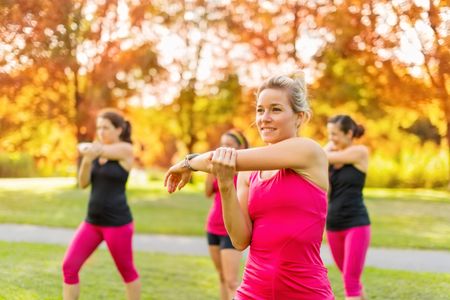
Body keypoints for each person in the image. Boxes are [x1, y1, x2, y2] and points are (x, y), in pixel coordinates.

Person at [165, 72, 334, 299]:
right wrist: (226, 185)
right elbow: (240, 239)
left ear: (299, 117)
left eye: (276, 109)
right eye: (260, 110)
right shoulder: (250, 173)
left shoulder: (309, 152)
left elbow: (224, 159)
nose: (264, 118)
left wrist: (188, 162)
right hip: (253, 291)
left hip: (305, 291)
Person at [62, 108, 141, 300]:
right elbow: (83, 183)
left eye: (106, 127)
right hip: (92, 223)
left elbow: (87, 148)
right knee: (69, 267)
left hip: (118, 224)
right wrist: (87, 160)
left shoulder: (125, 149)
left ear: (119, 129)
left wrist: (87, 150)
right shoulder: (96, 152)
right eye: (99, 128)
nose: (101, 132)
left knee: (127, 273)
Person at [324, 115, 371, 300]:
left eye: (334, 134)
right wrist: (330, 144)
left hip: (356, 223)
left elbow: (319, 155)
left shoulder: (360, 152)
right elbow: (319, 157)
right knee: (351, 279)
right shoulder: (331, 156)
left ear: (349, 133)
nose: (331, 138)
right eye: (329, 134)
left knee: (350, 281)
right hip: (334, 225)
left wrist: (325, 150)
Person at [205, 129, 249, 300]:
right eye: (222, 144)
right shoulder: (218, 169)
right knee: (222, 277)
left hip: (230, 232)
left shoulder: (245, 172)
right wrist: (211, 171)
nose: (224, 148)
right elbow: (208, 192)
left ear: (240, 147)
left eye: (229, 145)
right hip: (212, 227)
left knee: (231, 281)